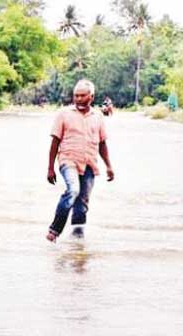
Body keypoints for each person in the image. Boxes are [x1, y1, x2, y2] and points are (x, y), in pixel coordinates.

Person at [46, 79, 114, 242]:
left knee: (82, 205)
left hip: (90, 163)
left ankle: (77, 243)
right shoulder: (63, 114)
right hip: (68, 161)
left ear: (91, 96)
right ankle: (54, 231)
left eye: (82, 96)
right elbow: (55, 142)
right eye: (76, 96)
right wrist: (50, 168)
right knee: (73, 190)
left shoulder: (97, 116)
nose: (78, 99)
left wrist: (109, 166)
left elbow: (102, 143)